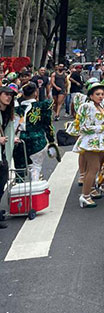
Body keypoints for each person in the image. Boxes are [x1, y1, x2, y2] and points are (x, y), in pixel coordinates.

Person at [71, 82, 104, 207]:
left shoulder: (102, 106)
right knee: (92, 169)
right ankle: (85, 196)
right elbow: (84, 127)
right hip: (91, 141)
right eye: (97, 94)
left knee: (100, 167)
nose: (100, 96)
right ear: (90, 95)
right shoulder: (87, 106)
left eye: (102, 94)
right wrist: (101, 127)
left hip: (102, 140)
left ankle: (92, 190)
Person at [14, 82, 53, 182]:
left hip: (20, 140)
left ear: (23, 94)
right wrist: (51, 141)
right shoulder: (42, 106)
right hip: (38, 140)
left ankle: (19, 195)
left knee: (19, 170)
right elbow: (48, 125)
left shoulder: (16, 110)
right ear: (36, 93)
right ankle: (35, 194)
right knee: (36, 167)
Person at [0, 85, 18, 229]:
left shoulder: (7, 112)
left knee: (2, 182)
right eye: (6, 94)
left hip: (3, 153)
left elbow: (8, 130)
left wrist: (13, 138)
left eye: (10, 95)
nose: (8, 97)